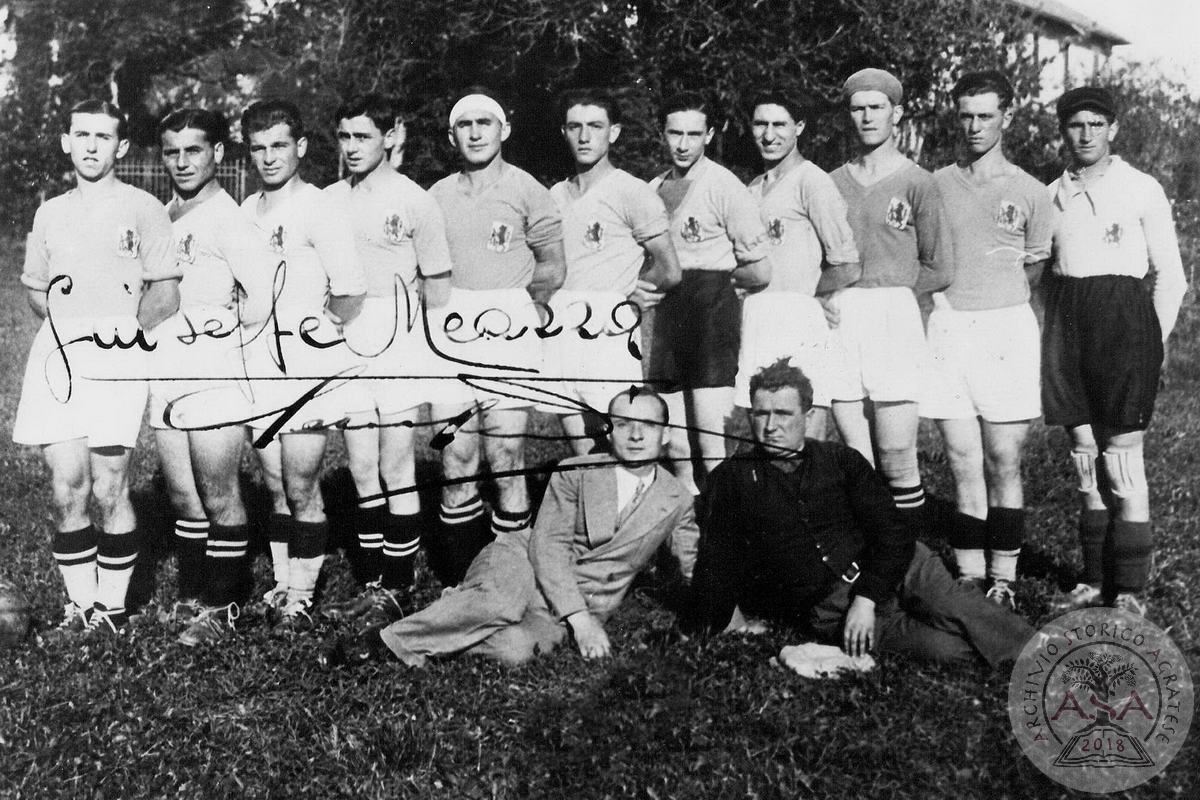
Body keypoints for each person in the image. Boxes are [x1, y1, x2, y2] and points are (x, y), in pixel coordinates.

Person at [687, 359, 1034, 667]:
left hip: (897, 566)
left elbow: (893, 532)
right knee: (944, 650)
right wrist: (725, 623)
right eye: (761, 414)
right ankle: (1001, 648)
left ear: (808, 417)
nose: (771, 426)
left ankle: (1055, 659)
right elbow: (716, 559)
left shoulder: (840, 461)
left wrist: (867, 598)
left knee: (956, 605)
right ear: (750, 416)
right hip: (831, 607)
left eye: (783, 414)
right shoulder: (732, 479)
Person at [322, 386, 698, 668]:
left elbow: (691, 562)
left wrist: (731, 615)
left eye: (648, 425)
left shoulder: (675, 498)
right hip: (524, 560)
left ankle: (456, 613)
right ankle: (382, 643)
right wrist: (582, 623)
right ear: (608, 431)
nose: (635, 435)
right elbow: (548, 547)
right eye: (623, 424)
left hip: (568, 604)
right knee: (500, 601)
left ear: (665, 434)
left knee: (514, 650)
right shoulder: (575, 472)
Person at [14, 100, 180, 636]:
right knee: (67, 485)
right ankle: (79, 606)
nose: (90, 146)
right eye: (81, 135)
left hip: (117, 354)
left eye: (102, 137)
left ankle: (111, 610)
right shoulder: (49, 213)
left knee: (110, 485)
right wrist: (69, 331)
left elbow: (166, 292)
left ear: (121, 147)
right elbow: (37, 292)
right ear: (66, 141)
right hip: (58, 356)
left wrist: (123, 339)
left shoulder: (143, 207)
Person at [1043, 87, 1187, 617]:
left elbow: (1171, 276)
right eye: (1075, 125)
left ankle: (1127, 589)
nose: (1085, 135)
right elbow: (1042, 275)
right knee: (1085, 457)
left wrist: (1153, 341)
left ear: (1113, 130)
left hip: (1125, 326)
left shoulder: (1141, 188)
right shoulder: (1051, 193)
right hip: (1068, 324)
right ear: (1064, 132)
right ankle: (1092, 578)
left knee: (1122, 461)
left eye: (1095, 125)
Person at [321, 93, 454, 625]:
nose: (352, 148)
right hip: (343, 335)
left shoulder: (416, 200)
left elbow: (438, 285)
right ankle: (374, 580)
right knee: (359, 464)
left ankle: (397, 588)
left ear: (391, 136)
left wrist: (411, 335)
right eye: (345, 137)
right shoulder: (329, 198)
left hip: (397, 336)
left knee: (397, 463)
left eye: (363, 137)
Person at [425, 89, 565, 586]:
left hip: (507, 323)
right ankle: (460, 578)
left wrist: (525, 310)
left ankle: (514, 576)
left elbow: (552, 264)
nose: (477, 132)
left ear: (504, 130)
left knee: (507, 456)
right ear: (452, 136)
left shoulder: (529, 190)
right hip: (452, 325)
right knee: (457, 456)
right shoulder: (436, 196)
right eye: (466, 125)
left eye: (487, 122)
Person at [925, 72, 1053, 609]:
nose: (975, 126)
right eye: (966, 116)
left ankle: (1005, 575)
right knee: (960, 456)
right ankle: (971, 576)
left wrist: (994, 307)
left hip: (1004, 329)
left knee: (1002, 457)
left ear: (1007, 117)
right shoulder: (934, 184)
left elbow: (1035, 268)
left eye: (985, 115)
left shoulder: (1030, 191)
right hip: (949, 326)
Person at [239, 99, 368, 632]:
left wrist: (314, 338)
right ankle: (283, 581)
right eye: (259, 148)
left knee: (300, 481)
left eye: (279, 146)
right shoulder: (246, 211)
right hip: (256, 357)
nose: (269, 157)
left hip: (305, 359)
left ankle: (303, 593)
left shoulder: (318, 207)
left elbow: (351, 291)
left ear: (302, 147)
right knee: (272, 480)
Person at [151, 108, 276, 646]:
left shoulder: (230, 219)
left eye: (194, 150)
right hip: (165, 368)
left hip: (215, 371)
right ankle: (195, 594)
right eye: (172, 151)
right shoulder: (160, 216)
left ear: (218, 154)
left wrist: (224, 341)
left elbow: (264, 299)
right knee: (182, 495)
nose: (182, 161)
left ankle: (223, 605)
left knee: (219, 491)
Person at [827, 68, 954, 538]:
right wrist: (825, 294)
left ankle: (909, 563)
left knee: (898, 453)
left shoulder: (919, 182)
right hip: (841, 316)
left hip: (894, 316)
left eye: (876, 107)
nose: (866, 117)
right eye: (858, 108)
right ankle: (870, 561)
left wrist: (897, 296)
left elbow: (939, 266)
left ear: (896, 114)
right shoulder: (830, 182)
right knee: (856, 457)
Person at [543, 88, 682, 455]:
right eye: (575, 127)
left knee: (619, 441)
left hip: (608, 333)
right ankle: (592, 510)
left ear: (614, 132)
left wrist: (631, 296)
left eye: (595, 126)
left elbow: (669, 269)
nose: (584, 136)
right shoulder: (554, 196)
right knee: (581, 448)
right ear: (563, 132)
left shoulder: (631, 192)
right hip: (561, 328)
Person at [647, 91, 771, 495]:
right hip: (670, 316)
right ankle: (688, 527)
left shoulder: (724, 186)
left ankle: (724, 529)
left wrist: (725, 284)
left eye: (693, 134)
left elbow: (760, 267)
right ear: (662, 134)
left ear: (709, 135)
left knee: (709, 437)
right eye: (675, 133)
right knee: (677, 441)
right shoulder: (653, 188)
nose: (683, 144)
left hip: (711, 313)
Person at [737, 89, 861, 442]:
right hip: (758, 318)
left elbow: (847, 264)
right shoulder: (752, 189)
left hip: (799, 320)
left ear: (799, 127)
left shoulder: (813, 181)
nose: (769, 134)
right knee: (763, 429)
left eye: (780, 124)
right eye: (761, 124)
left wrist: (811, 296)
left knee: (805, 436)